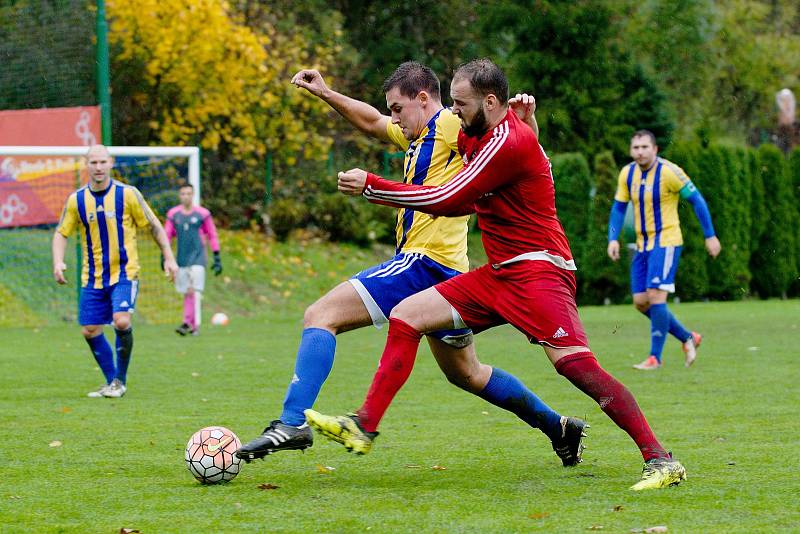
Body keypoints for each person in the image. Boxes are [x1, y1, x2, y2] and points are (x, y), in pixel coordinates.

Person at [308, 58, 685, 491]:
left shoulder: (505, 141)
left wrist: (374, 186)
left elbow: (450, 198)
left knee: (577, 369)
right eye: (450, 102)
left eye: (460, 103)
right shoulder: (480, 131)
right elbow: (492, 181)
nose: (452, 111)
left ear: (490, 102)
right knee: (408, 314)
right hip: (500, 273)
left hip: (541, 273)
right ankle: (364, 425)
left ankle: (660, 459)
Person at [235, 62, 587, 467]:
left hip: (424, 264)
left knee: (321, 314)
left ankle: (292, 422)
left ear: (424, 99)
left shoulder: (453, 126)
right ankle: (559, 427)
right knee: (467, 374)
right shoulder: (418, 137)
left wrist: (528, 121)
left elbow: (510, 143)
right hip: (450, 273)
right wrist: (326, 93)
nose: (394, 119)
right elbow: (370, 121)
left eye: (398, 109)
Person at [52, 144, 178, 398]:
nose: (98, 167)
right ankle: (114, 383)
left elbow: (154, 226)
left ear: (111, 163)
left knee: (121, 320)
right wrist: (58, 261)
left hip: (124, 272)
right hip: (93, 276)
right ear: (86, 165)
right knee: (89, 330)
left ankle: (119, 380)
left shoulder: (128, 194)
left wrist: (169, 257)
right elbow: (61, 233)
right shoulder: (77, 200)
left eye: (102, 162)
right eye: (93, 163)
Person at [607, 130, 721, 370]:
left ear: (655, 149)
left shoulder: (669, 172)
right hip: (642, 244)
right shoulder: (627, 174)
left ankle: (654, 358)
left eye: (644, 147)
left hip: (666, 241)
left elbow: (697, 200)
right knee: (640, 301)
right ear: (631, 151)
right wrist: (612, 239)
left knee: (656, 296)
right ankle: (687, 337)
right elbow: (618, 208)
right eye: (635, 147)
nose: (640, 152)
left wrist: (710, 235)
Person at [164, 184, 222, 336]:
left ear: (193, 195)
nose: (186, 196)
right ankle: (193, 326)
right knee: (187, 292)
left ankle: (186, 322)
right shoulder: (173, 214)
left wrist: (216, 256)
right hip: (181, 259)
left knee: (192, 290)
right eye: (183, 193)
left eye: (189, 193)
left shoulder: (203, 214)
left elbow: (212, 234)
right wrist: (164, 256)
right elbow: (166, 235)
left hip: (198, 258)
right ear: (179, 196)